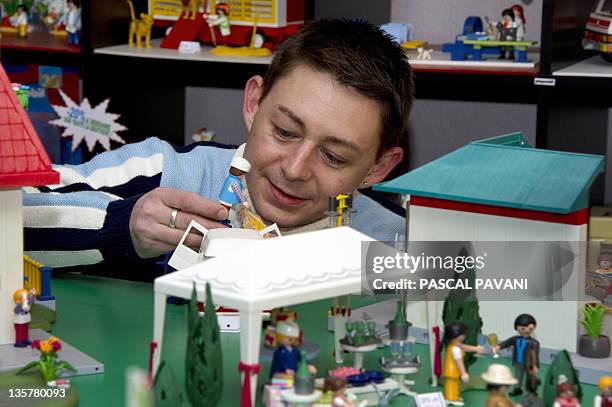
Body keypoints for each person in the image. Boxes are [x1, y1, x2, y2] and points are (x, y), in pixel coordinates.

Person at [23, 19, 413, 275]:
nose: (294, 169)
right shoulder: (165, 173)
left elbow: (468, 287)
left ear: (378, 168)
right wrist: (119, 225)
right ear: (254, 104)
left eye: (333, 156)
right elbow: (15, 208)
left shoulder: (398, 244)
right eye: (284, 131)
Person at [493, 314, 540, 396]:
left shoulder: (534, 343)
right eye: (523, 328)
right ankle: (517, 389)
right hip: (518, 362)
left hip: (529, 364)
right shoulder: (515, 339)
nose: (527, 331)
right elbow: (506, 342)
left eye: (530, 328)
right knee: (518, 376)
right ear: (517, 328)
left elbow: (535, 355)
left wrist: (535, 365)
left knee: (530, 378)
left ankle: (531, 391)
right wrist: (499, 346)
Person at [442, 321, 485, 405]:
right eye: (464, 334)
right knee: (452, 384)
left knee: (455, 384)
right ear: (458, 335)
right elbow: (459, 362)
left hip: (452, 370)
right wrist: (464, 373)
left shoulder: (456, 345)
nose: (465, 336)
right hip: (452, 371)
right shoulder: (456, 349)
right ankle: (450, 398)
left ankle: (454, 396)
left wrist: (475, 349)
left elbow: (464, 347)